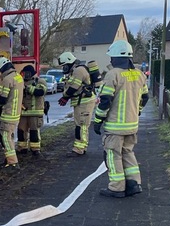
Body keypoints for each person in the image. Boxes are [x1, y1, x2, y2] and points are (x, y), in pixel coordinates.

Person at [93, 40, 149, 198]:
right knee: (128, 152)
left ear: (116, 58)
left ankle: (116, 187)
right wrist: (136, 112)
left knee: (112, 155)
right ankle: (134, 183)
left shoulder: (113, 74)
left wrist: (98, 120)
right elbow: (145, 97)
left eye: (111, 57)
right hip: (132, 125)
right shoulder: (139, 74)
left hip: (115, 126)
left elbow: (105, 100)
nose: (110, 60)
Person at [57, 51, 98, 156]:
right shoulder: (75, 70)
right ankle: (80, 148)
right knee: (79, 124)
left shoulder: (78, 70)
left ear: (70, 62)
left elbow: (74, 87)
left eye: (64, 65)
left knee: (82, 125)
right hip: (81, 101)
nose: (64, 68)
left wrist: (65, 97)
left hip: (85, 101)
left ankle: (79, 149)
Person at [0, 56, 23, 168]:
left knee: (5, 137)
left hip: (8, 113)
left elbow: (3, 98)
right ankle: (8, 160)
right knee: (10, 137)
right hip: (16, 113)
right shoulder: (18, 77)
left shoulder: (7, 79)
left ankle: (12, 163)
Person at [18, 65, 47, 155]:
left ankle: (35, 149)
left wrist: (29, 88)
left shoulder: (40, 81)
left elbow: (41, 92)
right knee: (21, 131)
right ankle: (22, 148)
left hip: (35, 112)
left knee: (34, 131)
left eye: (27, 73)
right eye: (24, 73)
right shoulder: (21, 82)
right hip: (23, 112)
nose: (25, 75)